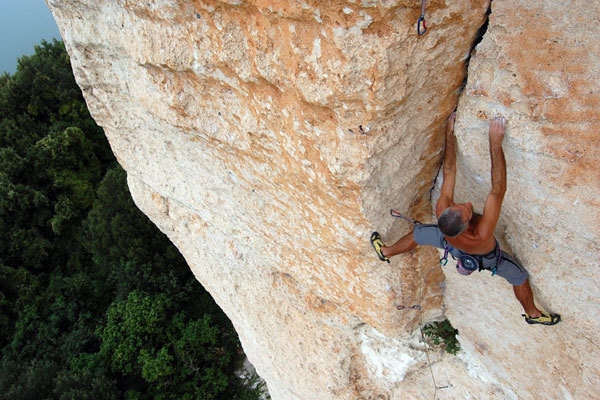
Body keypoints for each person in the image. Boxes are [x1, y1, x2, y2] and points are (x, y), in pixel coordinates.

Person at [371, 113, 560, 325]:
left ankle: (386, 251)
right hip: (485, 256)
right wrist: (495, 144)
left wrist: (448, 133)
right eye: (468, 211)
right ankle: (533, 314)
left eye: (462, 206)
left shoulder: (444, 209)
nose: (469, 204)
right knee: (519, 278)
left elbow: (449, 169)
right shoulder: (481, 234)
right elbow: (498, 190)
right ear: (465, 226)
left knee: (419, 234)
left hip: (450, 244)